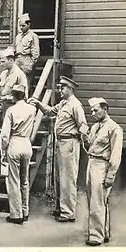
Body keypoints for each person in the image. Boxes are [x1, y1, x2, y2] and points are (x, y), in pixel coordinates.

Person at [28, 76, 89, 223]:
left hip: (70, 143)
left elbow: (83, 125)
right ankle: (60, 208)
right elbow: (49, 111)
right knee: (59, 177)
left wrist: (85, 142)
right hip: (60, 143)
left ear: (70, 89)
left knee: (68, 178)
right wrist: (38, 103)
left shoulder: (75, 105)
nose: (60, 90)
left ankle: (68, 213)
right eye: (60, 87)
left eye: (63, 88)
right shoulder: (63, 103)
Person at [83, 97, 123, 246]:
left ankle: (96, 236)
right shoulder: (95, 127)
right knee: (94, 199)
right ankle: (104, 232)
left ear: (105, 109)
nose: (93, 113)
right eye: (91, 111)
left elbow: (116, 153)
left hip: (102, 165)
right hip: (91, 163)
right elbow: (91, 146)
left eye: (96, 110)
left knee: (98, 202)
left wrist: (111, 174)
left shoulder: (114, 128)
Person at [0, 84, 37, 225]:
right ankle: (25, 211)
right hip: (26, 144)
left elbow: (4, 135)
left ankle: (16, 214)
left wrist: (3, 151)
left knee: (14, 181)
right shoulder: (32, 109)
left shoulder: (11, 110)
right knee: (24, 179)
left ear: (13, 95)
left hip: (14, 143)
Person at [13, 13, 40, 95]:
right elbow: (15, 49)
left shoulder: (33, 36)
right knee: (17, 82)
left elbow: (36, 52)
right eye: (20, 26)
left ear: (29, 24)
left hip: (27, 60)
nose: (21, 28)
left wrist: (31, 64)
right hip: (17, 61)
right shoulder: (18, 37)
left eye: (23, 25)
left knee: (27, 83)